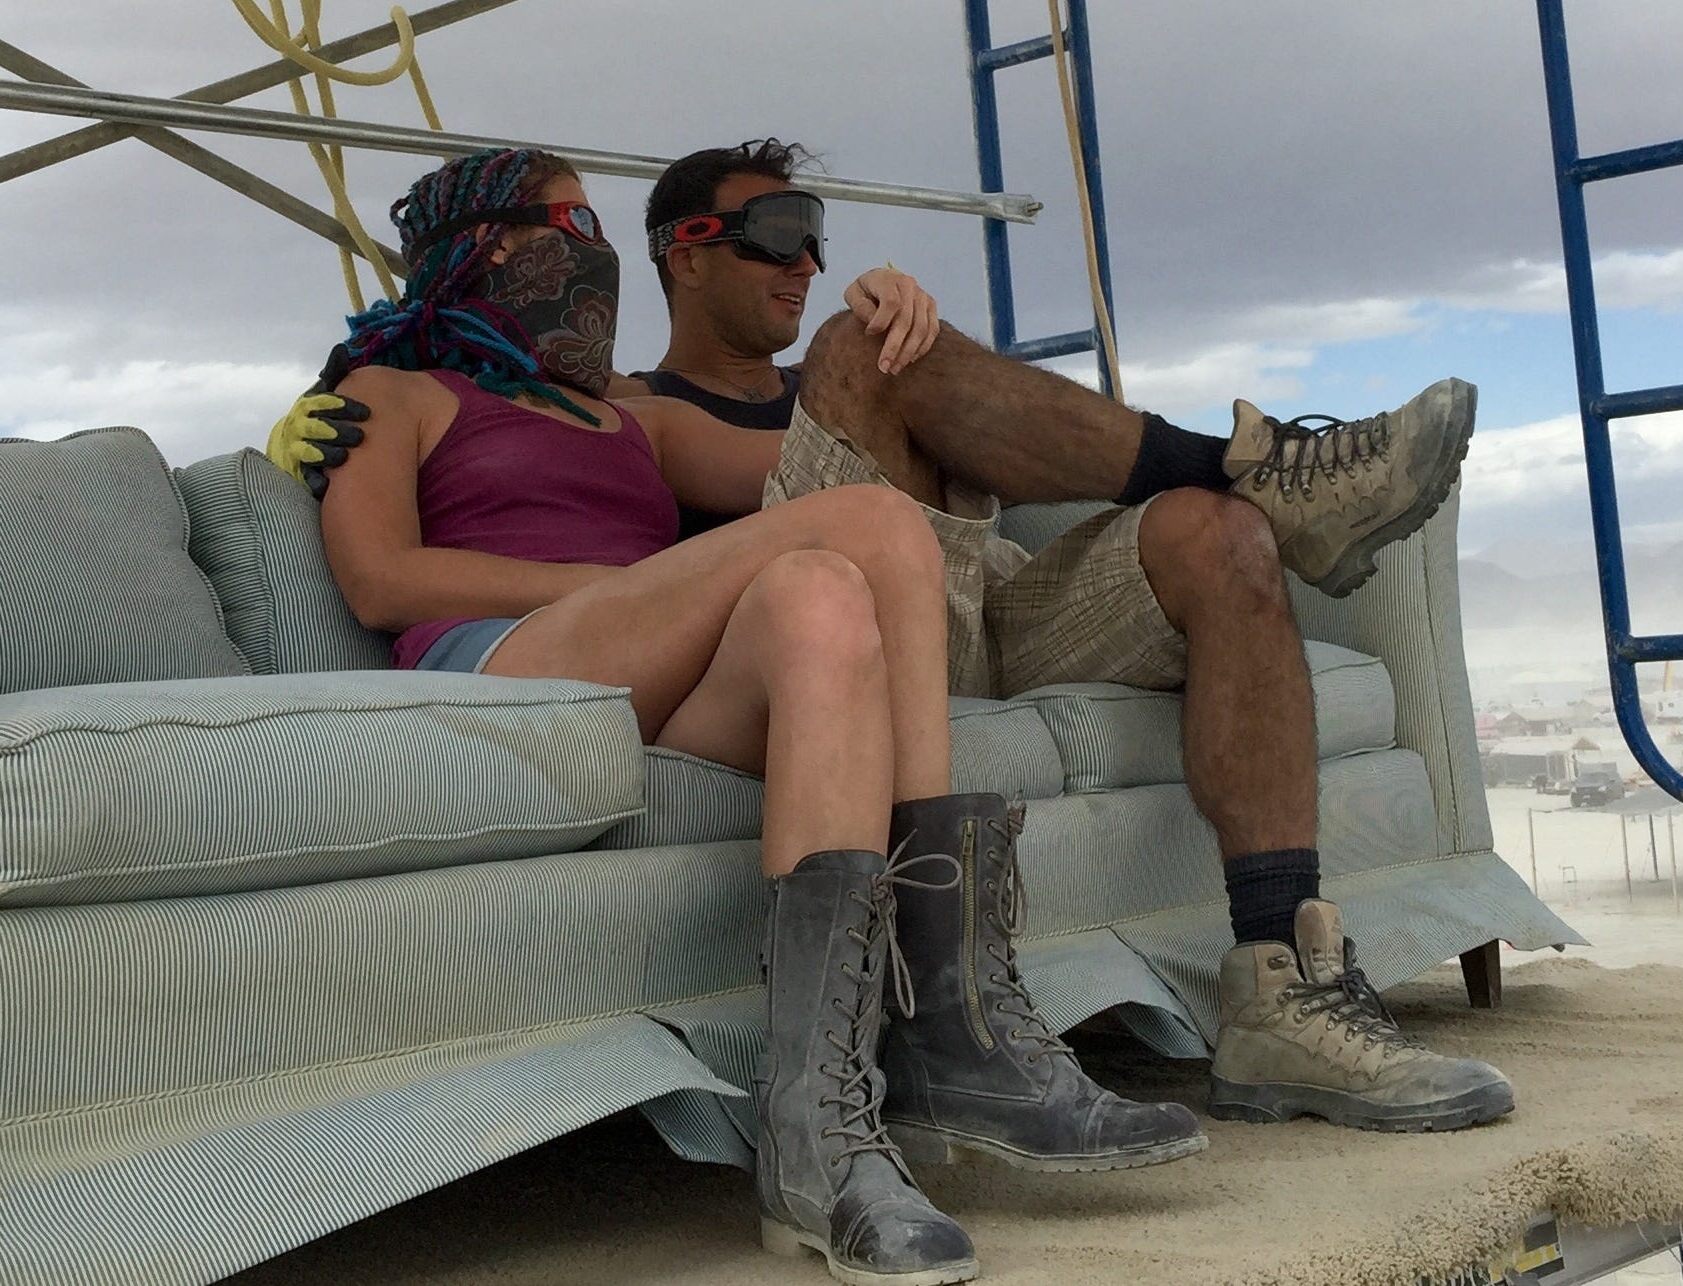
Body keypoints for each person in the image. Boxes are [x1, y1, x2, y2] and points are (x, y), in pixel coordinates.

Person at [276, 137, 1514, 1137]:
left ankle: (1279, 978)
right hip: (709, 629)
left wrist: (930, 365)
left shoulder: (624, 427)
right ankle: (1270, 465)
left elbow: (882, 469)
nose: (804, 257)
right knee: (863, 404)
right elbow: (387, 571)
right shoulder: (510, 396)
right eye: (771, 233)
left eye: (816, 236)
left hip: (912, 597)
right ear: (668, 254)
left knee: (1216, 535)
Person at [312, 147, 1204, 1286]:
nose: (592, 249)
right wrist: (609, 591)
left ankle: (816, 1137)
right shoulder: (386, 394)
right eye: (567, 219)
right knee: (869, 531)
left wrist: (887, 333)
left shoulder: (630, 417)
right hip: (511, 670)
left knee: (821, 584)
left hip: (663, 688)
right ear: (484, 244)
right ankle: (952, 1024)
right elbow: (381, 581)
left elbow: (861, 449)